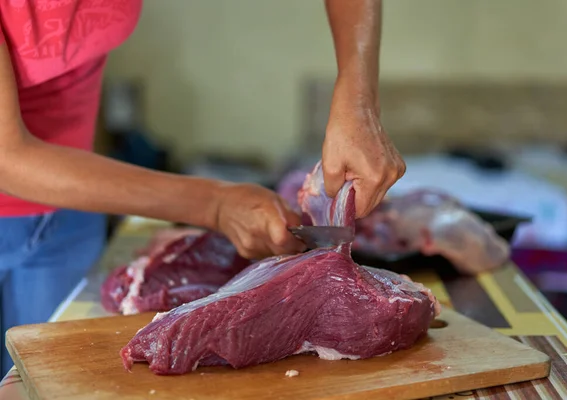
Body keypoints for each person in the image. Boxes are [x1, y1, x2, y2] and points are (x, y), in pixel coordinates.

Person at [0, 0, 405, 374]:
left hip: (75, 199)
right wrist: (213, 204)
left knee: (55, 374)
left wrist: (357, 97)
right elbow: (7, 157)